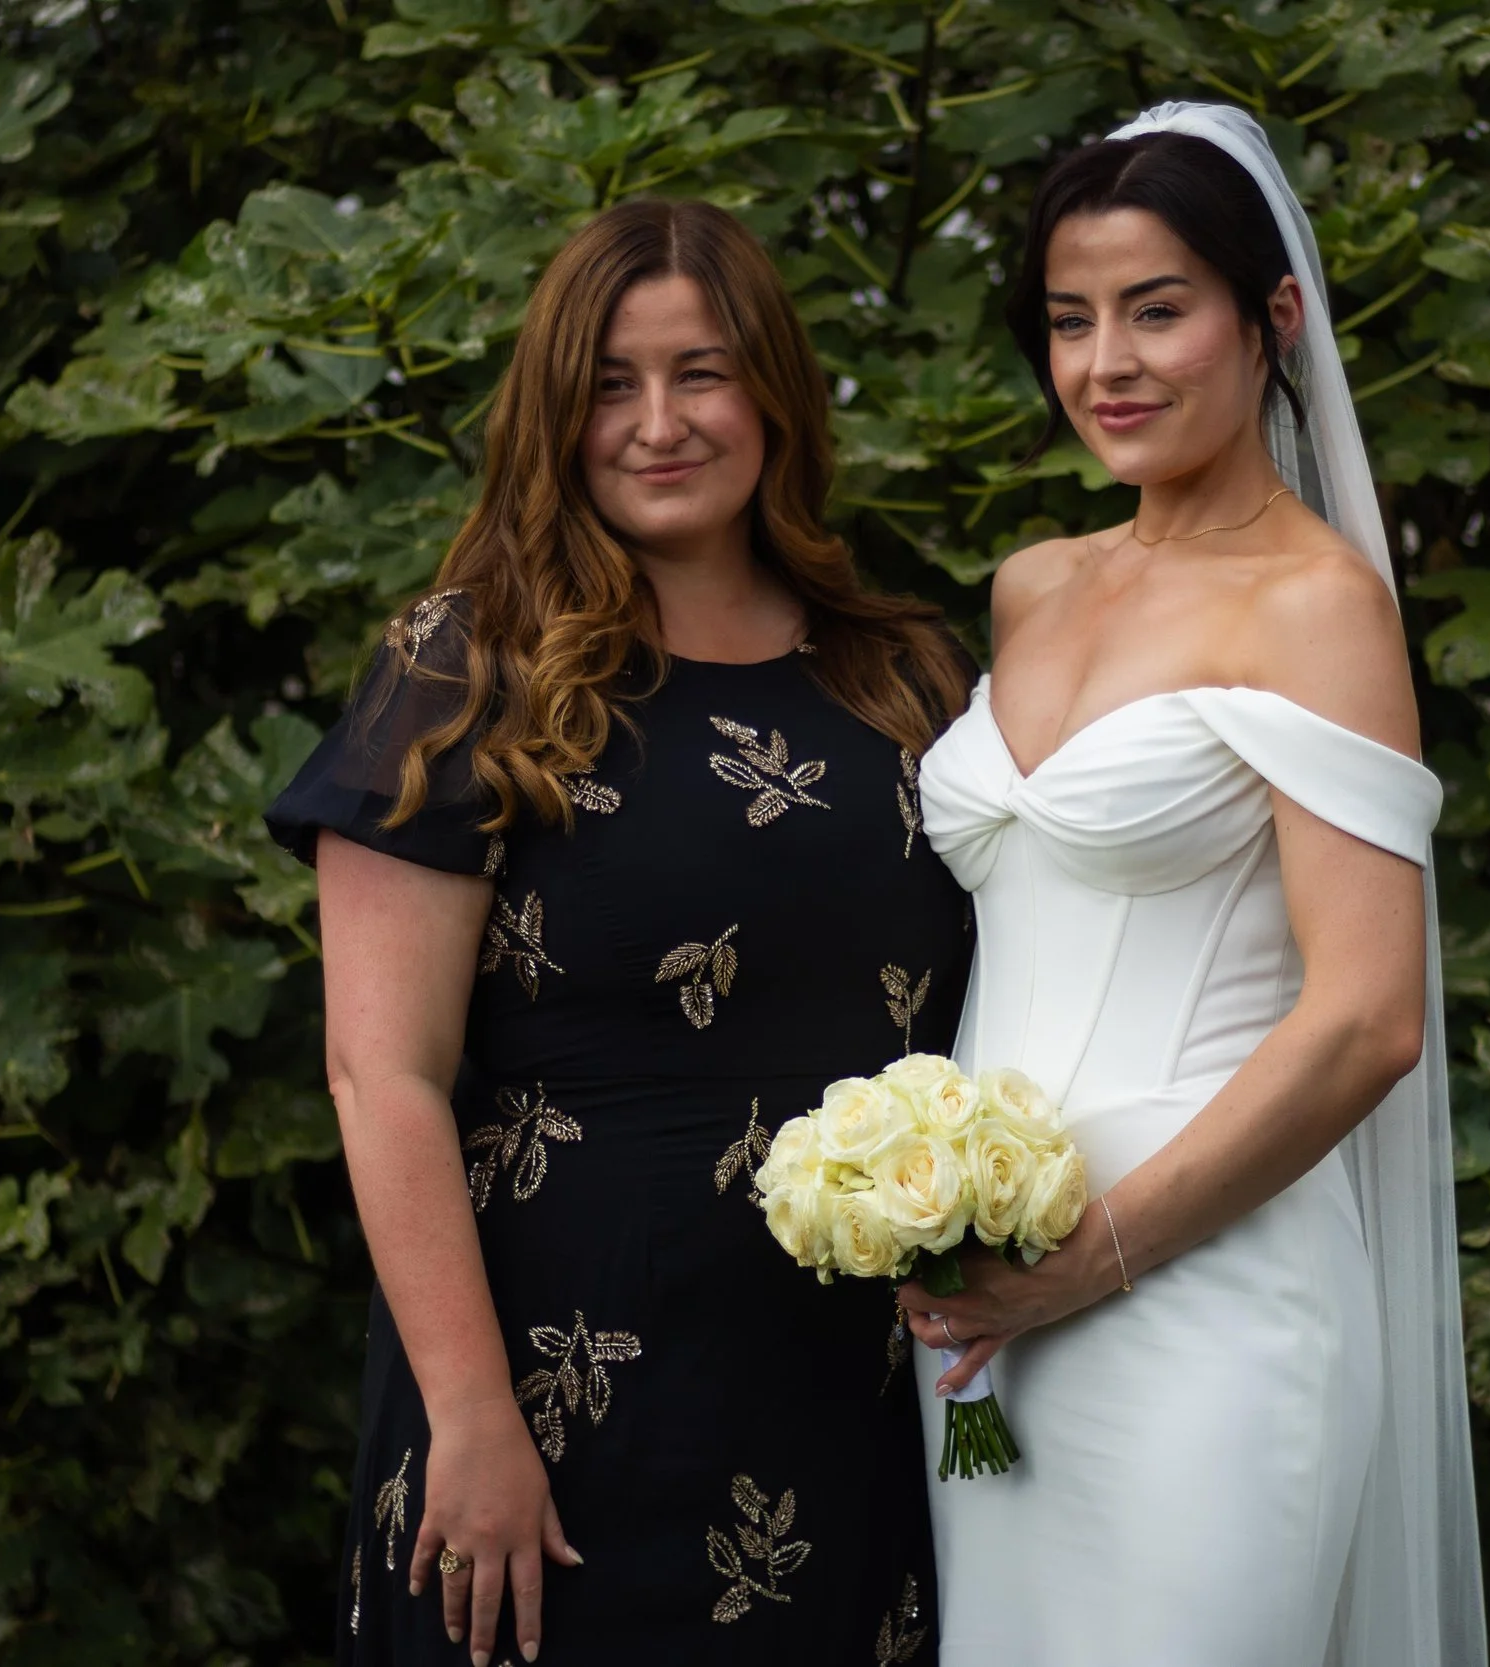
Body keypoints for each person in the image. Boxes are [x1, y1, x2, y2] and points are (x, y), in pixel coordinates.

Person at [267, 197, 975, 1667]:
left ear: (774, 391)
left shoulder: (906, 677)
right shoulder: (469, 668)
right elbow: (380, 1076)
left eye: (702, 371)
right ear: (553, 413)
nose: (658, 422)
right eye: (609, 383)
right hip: (544, 1412)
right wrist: (471, 1417)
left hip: (846, 1410)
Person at [897, 105, 1488, 1665]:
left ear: (1270, 317)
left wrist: (1085, 1260)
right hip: (983, 1296)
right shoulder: (1034, 584)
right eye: (1071, 320)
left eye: (1158, 310)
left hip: (1203, 1287)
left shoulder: (1317, 608)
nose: (1109, 363)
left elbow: (1367, 1021)